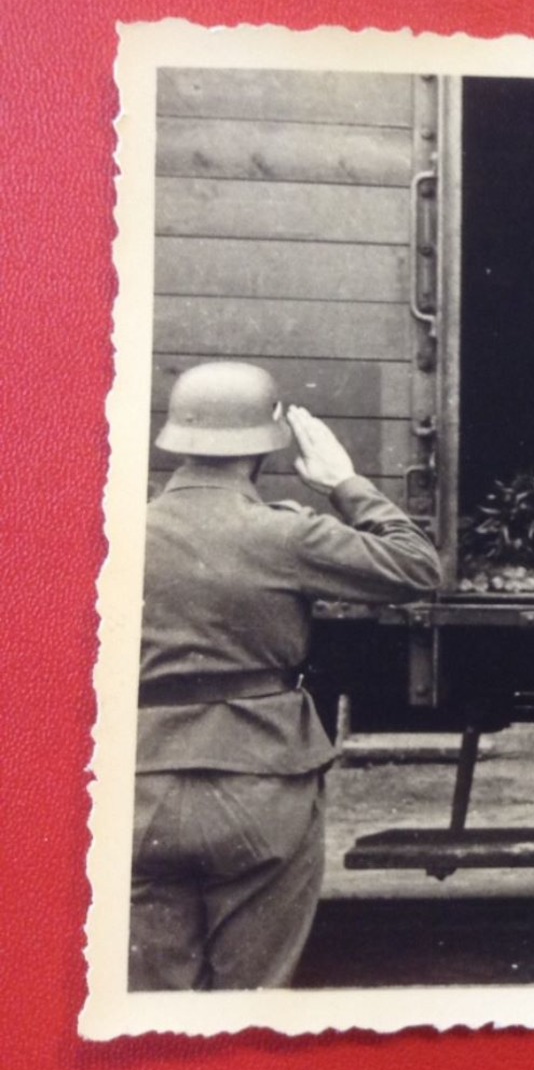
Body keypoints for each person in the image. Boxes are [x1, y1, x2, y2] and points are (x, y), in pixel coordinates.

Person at [131, 361, 442, 991]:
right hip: (263, 782)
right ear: (268, 443)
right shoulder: (284, 534)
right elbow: (418, 567)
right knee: (249, 1008)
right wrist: (346, 483)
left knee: (150, 1014)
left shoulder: (112, 532)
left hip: (138, 785)